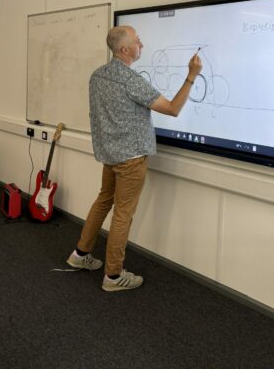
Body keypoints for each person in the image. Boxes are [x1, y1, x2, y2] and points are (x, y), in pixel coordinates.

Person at [67, 26, 202, 291]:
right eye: (138, 41)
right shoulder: (130, 80)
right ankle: (113, 276)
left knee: (103, 202)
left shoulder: (97, 75)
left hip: (110, 155)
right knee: (123, 215)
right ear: (125, 49)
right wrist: (191, 76)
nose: (142, 44)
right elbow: (173, 109)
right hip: (130, 160)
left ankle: (79, 255)